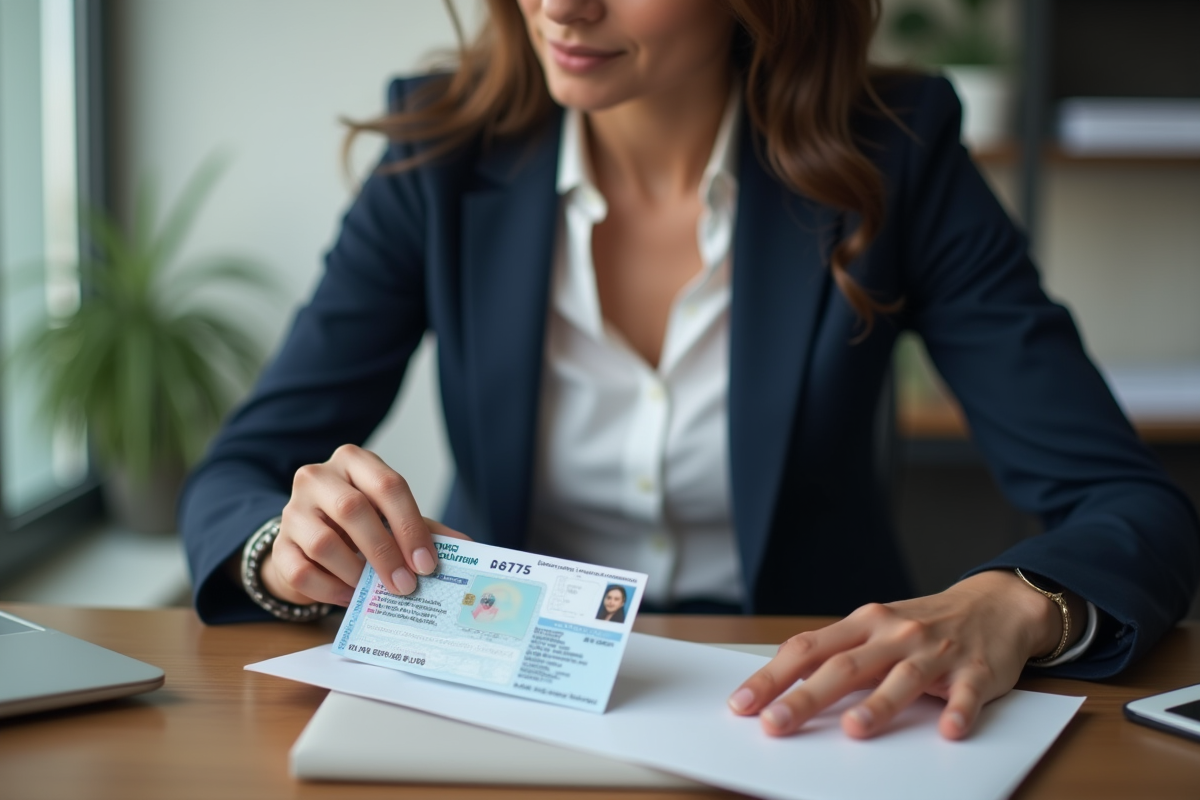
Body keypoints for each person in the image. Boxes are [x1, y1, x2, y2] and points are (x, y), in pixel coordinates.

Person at [180, 0, 1200, 743]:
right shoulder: (442, 152)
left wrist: (1026, 600)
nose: (561, 7)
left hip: (810, 716)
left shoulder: (893, 154)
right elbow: (238, 477)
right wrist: (288, 544)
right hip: (507, 710)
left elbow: (1127, 504)